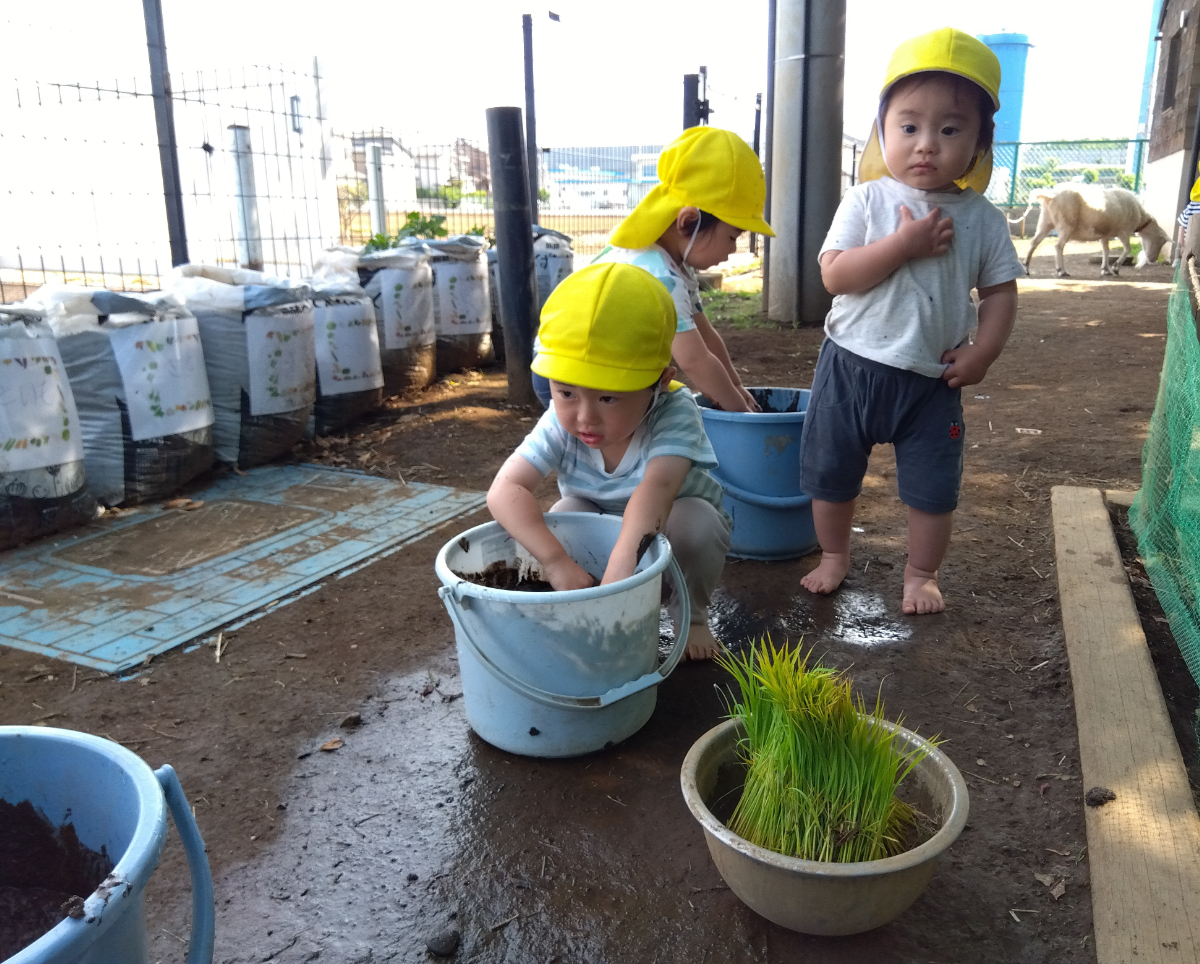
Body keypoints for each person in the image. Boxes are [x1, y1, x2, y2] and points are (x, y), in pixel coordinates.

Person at [798, 27, 1023, 615]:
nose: (926, 144)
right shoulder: (866, 201)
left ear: (981, 138)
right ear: (883, 129)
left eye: (950, 129)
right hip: (850, 366)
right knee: (830, 475)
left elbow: (1000, 292)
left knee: (933, 492)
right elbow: (836, 276)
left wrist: (982, 353)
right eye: (909, 126)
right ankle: (833, 556)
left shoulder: (983, 220)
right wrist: (904, 244)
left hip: (931, 381)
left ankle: (921, 574)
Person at [488, 262, 731, 660]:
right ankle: (585, 600)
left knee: (696, 522)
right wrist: (555, 562)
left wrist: (619, 583)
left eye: (608, 398)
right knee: (565, 511)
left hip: (669, 528)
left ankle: (694, 616)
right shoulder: (559, 421)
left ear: (658, 381)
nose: (585, 417)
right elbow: (505, 489)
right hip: (601, 527)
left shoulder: (674, 411)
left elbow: (657, 491)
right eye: (565, 392)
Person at [531, 126, 774, 414]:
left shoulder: (675, 267)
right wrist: (743, 416)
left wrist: (737, 388)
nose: (732, 249)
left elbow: (707, 337)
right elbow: (694, 361)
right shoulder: (658, 274)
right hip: (575, 377)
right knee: (636, 436)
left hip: (605, 370)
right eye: (733, 236)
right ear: (688, 222)